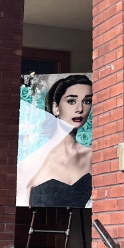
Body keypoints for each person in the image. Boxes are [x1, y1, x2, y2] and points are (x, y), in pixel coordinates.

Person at [21, 75, 93, 208]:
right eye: (71, 101)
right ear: (56, 108)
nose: (80, 109)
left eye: (87, 101)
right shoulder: (34, 160)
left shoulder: (93, 157)